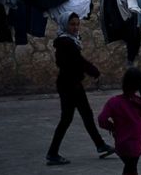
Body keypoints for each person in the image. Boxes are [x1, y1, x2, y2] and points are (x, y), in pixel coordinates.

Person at [45, 13, 114, 165]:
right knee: (68, 118)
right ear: (65, 25)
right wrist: (93, 71)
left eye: (77, 24)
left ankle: (100, 145)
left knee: (85, 115)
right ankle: (52, 152)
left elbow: (76, 62)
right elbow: (78, 62)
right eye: (72, 24)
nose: (75, 27)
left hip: (72, 83)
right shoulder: (66, 43)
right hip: (69, 85)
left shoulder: (69, 41)